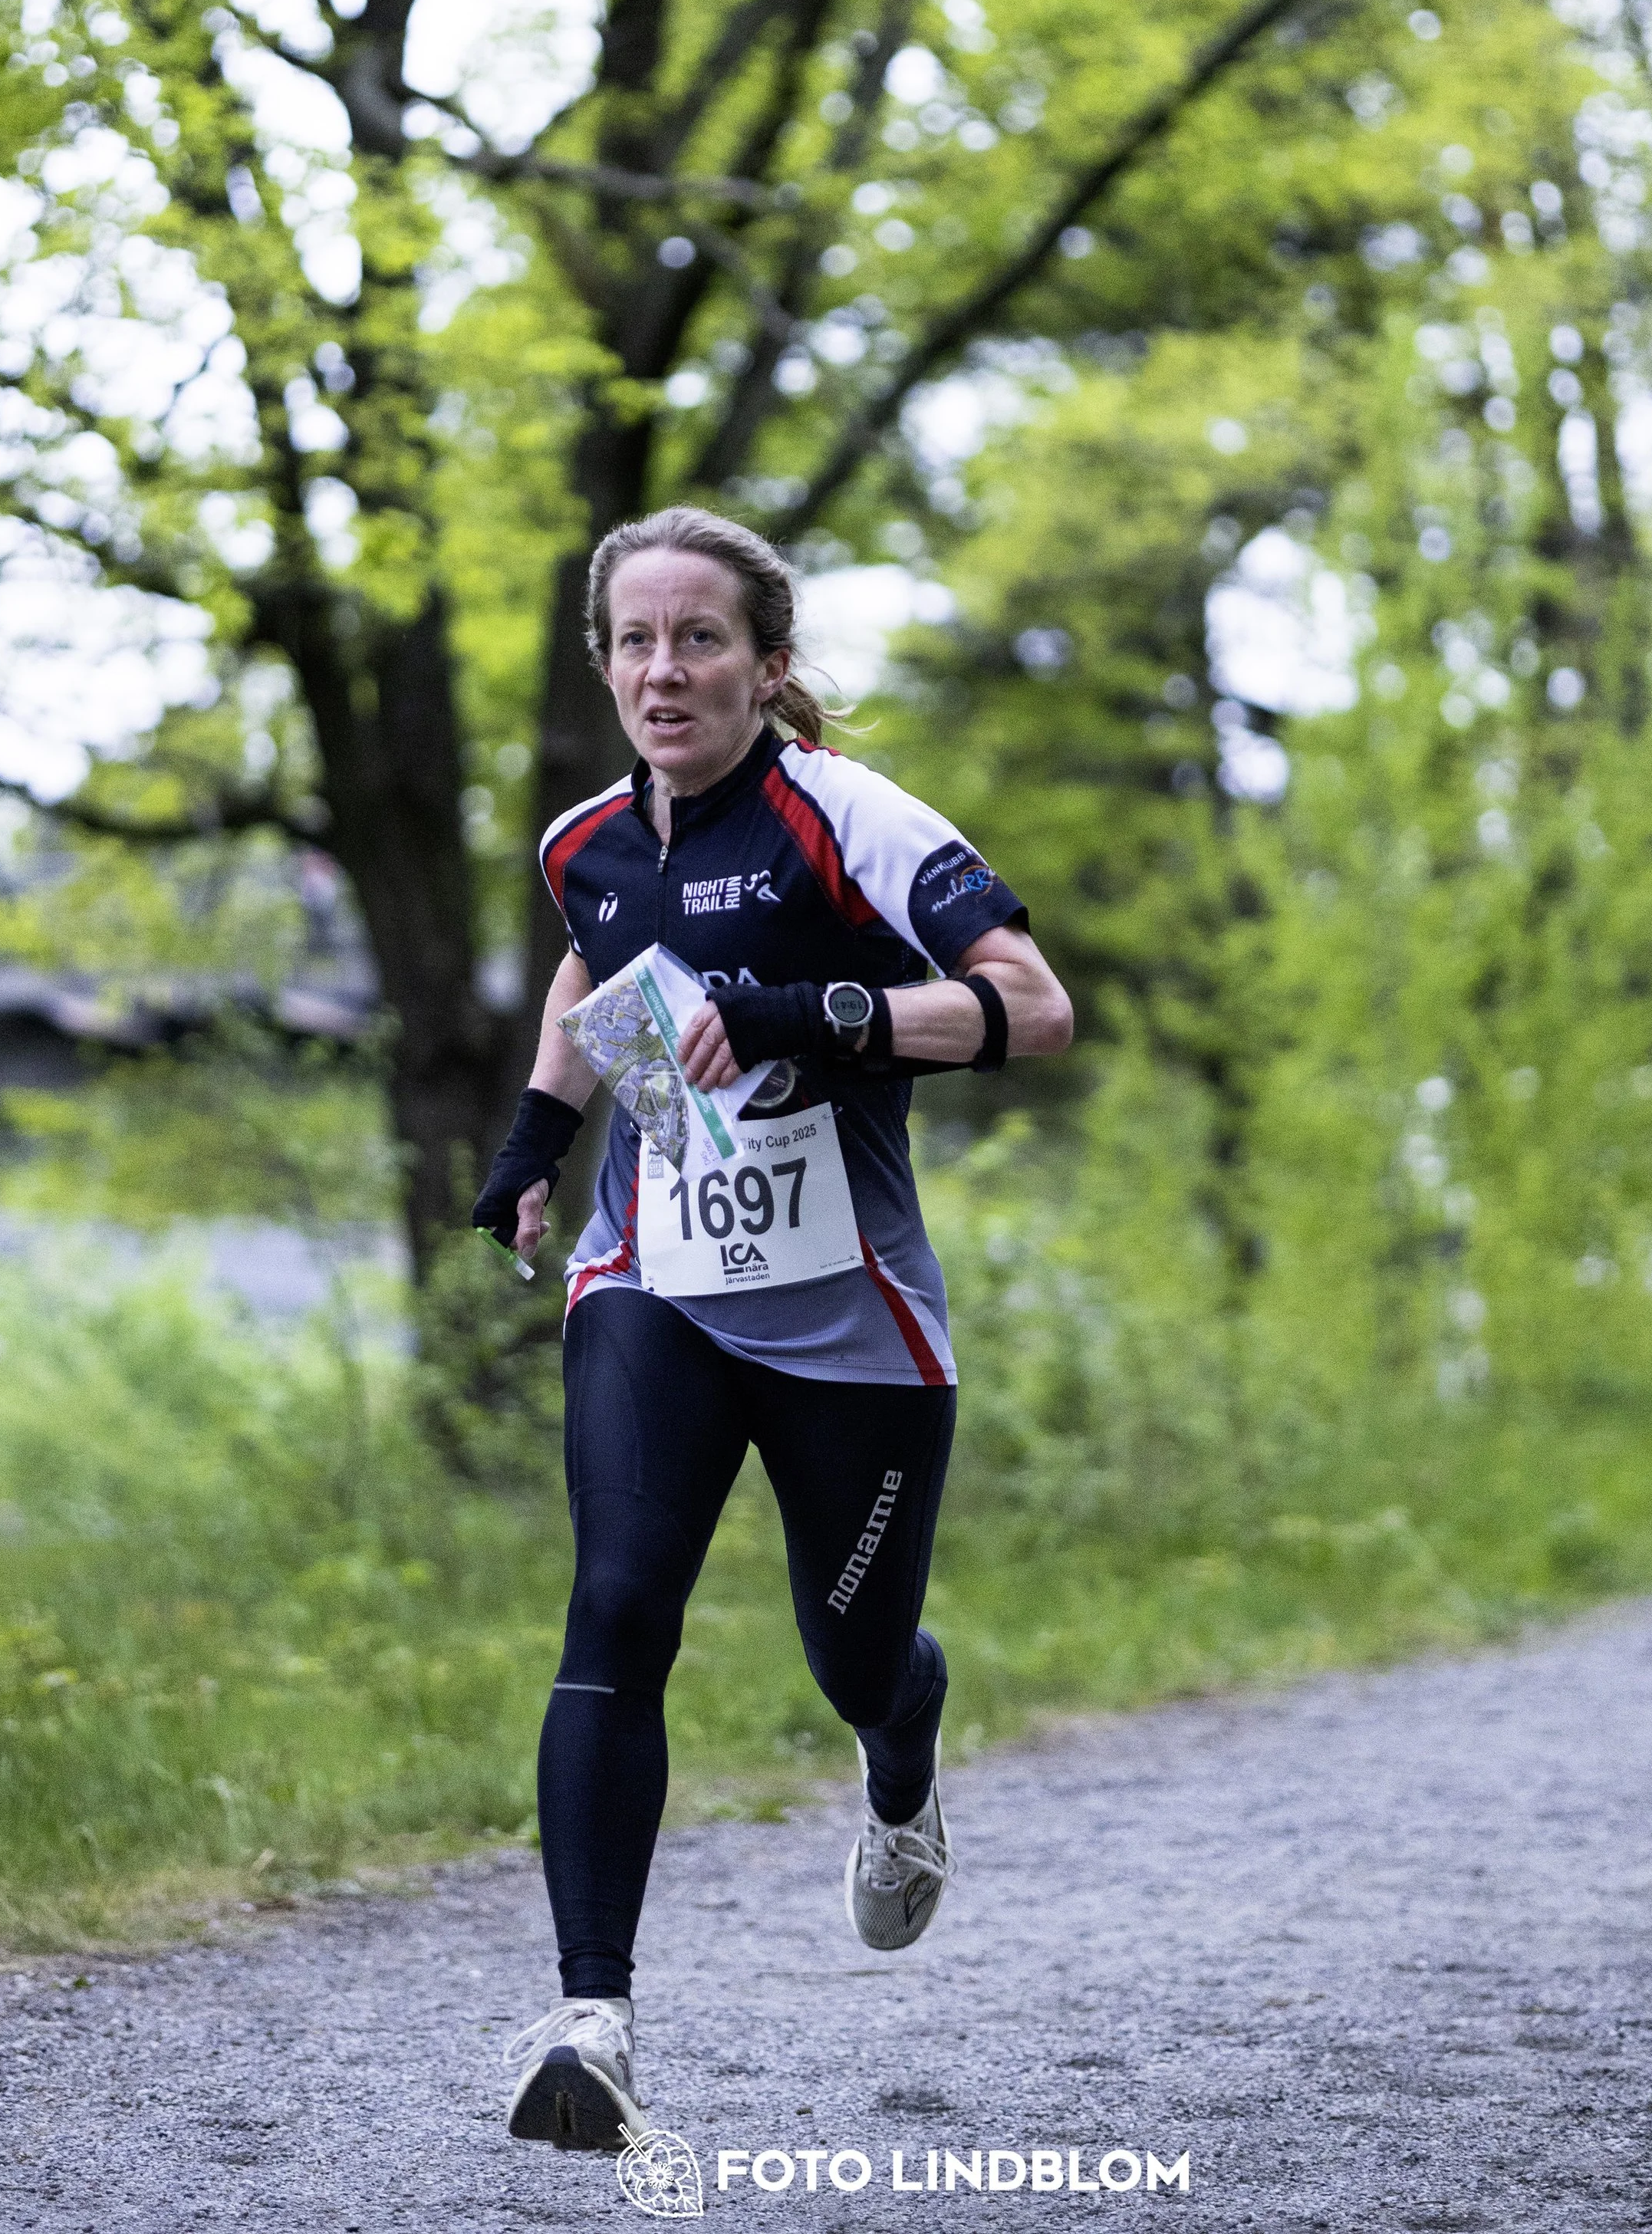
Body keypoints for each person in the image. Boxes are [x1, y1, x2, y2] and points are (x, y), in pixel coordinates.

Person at [472, 505, 1073, 2153]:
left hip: (846, 1323)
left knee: (853, 1649)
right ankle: (590, 2014)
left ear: (766, 663)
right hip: (652, 1278)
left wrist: (824, 1009)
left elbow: (1033, 1002)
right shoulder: (586, 840)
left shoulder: (845, 820)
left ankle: (899, 1749)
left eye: (699, 639)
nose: (663, 670)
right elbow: (593, 973)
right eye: (634, 642)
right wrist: (538, 1134)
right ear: (605, 664)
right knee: (616, 1601)